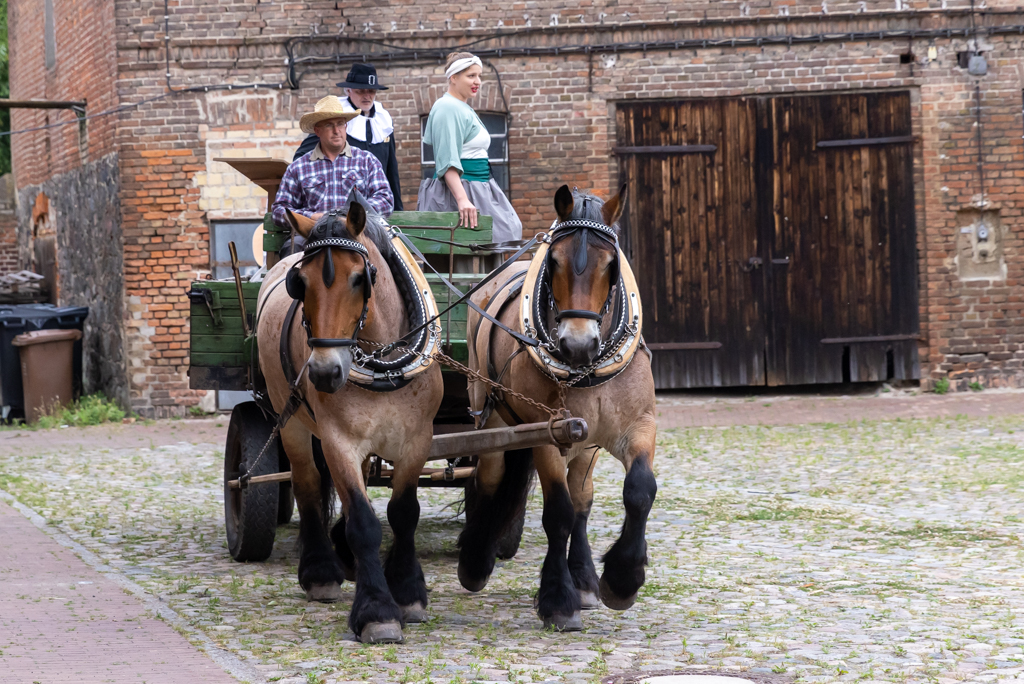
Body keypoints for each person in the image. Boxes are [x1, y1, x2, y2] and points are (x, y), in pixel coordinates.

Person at [418, 52, 522, 243]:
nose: (478, 81)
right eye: (471, 76)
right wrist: (462, 199)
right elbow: (447, 160)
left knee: (505, 234)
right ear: (454, 77)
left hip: (479, 186)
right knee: (462, 259)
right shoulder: (447, 107)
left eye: (479, 76)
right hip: (460, 190)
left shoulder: (462, 107)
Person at [272, 96, 394, 236]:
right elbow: (279, 211)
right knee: (292, 252)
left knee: (386, 255)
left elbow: (385, 200)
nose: (336, 130)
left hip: (358, 237)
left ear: (346, 127)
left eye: (340, 124)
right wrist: (310, 217)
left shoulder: (367, 161)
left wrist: (354, 215)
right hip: (313, 237)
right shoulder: (298, 167)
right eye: (329, 125)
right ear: (317, 131)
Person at [293, 64, 404, 210]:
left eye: (371, 91)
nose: (367, 96)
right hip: (340, 204)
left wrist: (398, 211)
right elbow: (302, 158)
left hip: (375, 206)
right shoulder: (334, 119)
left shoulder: (384, 121)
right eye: (360, 91)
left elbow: (391, 171)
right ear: (349, 91)